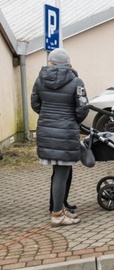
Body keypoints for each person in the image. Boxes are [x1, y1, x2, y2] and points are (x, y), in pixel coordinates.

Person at [31, 48, 89, 227]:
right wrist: (71, 120)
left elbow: (35, 103)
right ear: (68, 64)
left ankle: (58, 209)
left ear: (51, 63)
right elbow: (83, 108)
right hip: (65, 131)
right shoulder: (76, 81)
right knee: (62, 174)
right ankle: (57, 215)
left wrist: (48, 116)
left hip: (46, 130)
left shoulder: (40, 79)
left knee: (58, 172)